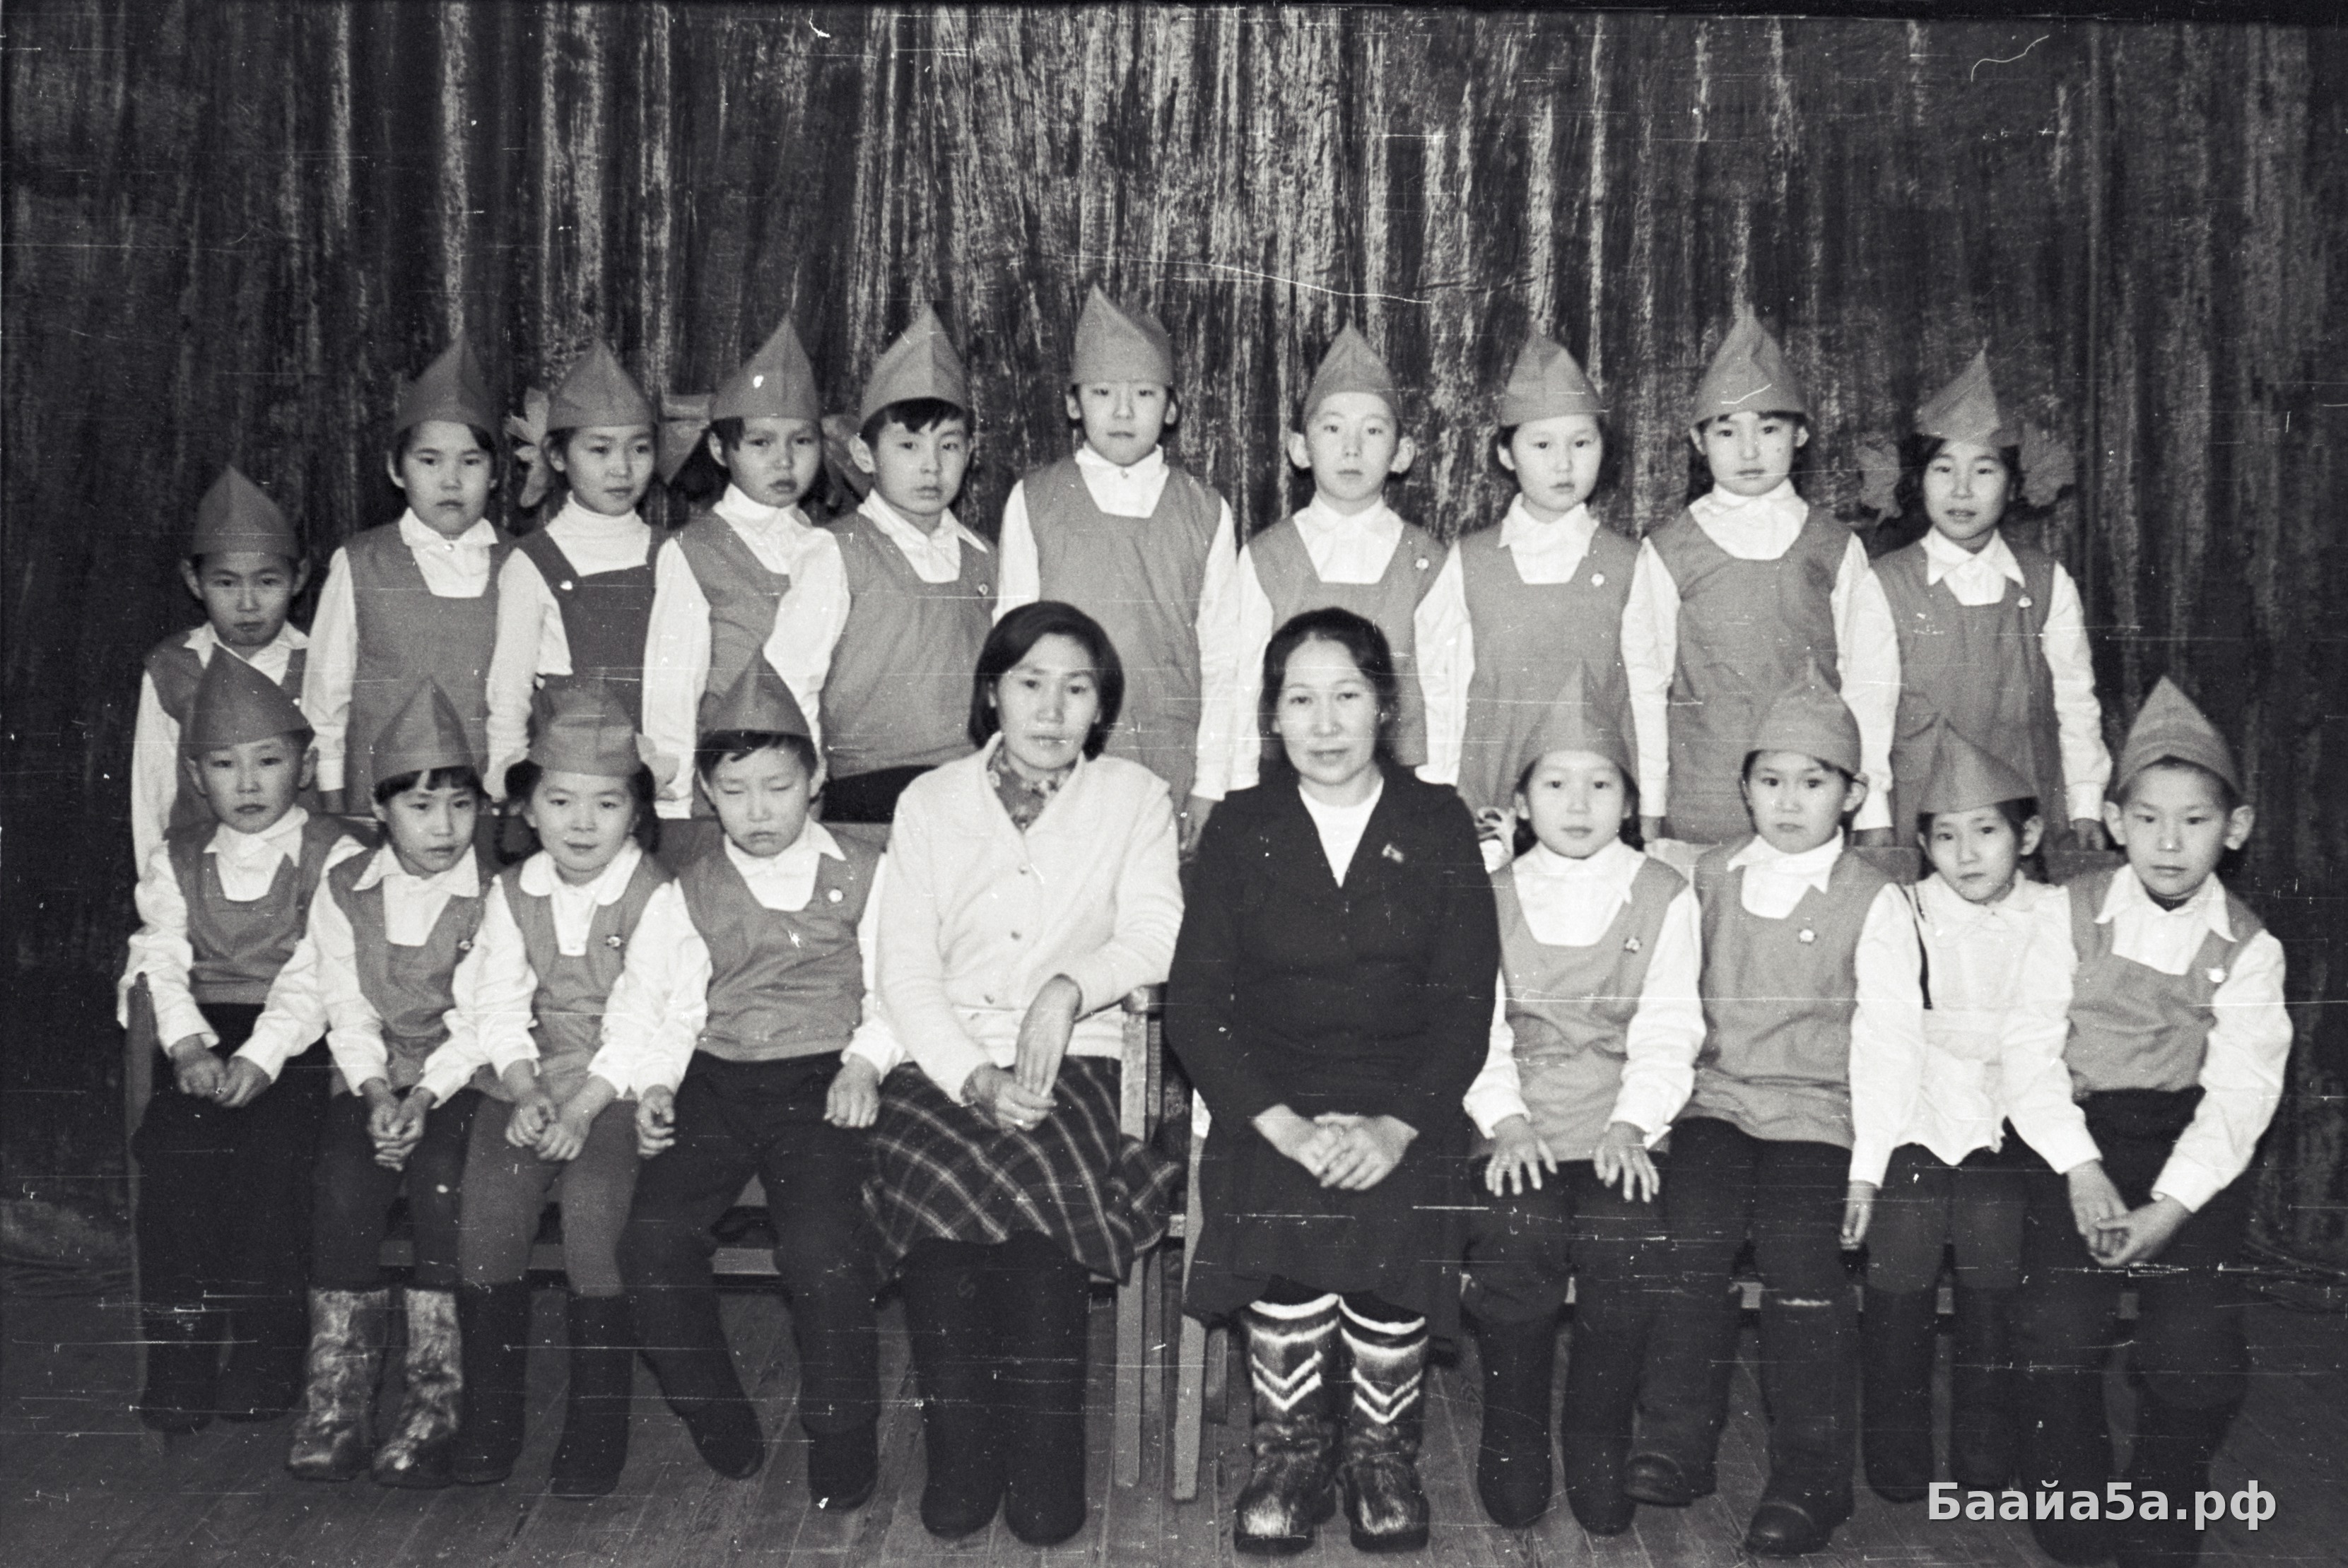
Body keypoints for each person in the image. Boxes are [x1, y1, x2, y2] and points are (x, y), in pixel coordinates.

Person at [1170, 606, 1498, 1554]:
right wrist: (1281, 1122)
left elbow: (1465, 1002)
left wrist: (1395, 1125)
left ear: (1384, 707)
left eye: (1346, 695)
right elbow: (1195, 1003)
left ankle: (1379, 1454)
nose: (1324, 723)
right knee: (1282, 1187)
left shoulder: (1435, 820)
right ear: (1271, 715)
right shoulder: (1242, 826)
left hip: (1407, 1094)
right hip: (1271, 1094)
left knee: (1396, 1194)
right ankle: (1290, 1453)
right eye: (1299, 699)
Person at [867, 601, 1182, 1545]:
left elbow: (1157, 934)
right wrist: (970, 1074)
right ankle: (962, 1454)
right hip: (945, 1054)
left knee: (1044, 1185)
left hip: (1080, 1051)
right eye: (1030, 683)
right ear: (991, 693)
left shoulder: (1134, 795)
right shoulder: (930, 801)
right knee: (936, 1181)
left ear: (1101, 706)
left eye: (1076, 688)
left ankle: (1046, 1458)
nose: (1051, 708)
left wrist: (1067, 987)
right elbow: (903, 969)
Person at [1629, 661, 1926, 1557]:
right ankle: (1677, 1443)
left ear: (1852, 793)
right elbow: (1669, 1004)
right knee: (1691, 1241)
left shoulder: (1874, 897)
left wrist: (1868, 1167)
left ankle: (1810, 1476)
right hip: (1716, 1103)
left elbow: (1888, 1041)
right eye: (1769, 780)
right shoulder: (1708, 876)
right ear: (1744, 787)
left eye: (1813, 781)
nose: (1789, 801)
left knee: (1804, 1264)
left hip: (1818, 1116)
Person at [592, 661, 898, 1504]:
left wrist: (866, 1060)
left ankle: (841, 1428)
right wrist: (657, 1083)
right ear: (705, 793)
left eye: (778, 786)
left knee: (822, 1247)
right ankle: (710, 1404)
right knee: (652, 1240)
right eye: (734, 791)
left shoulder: (865, 870)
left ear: (816, 779)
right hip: (719, 1079)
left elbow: (898, 986)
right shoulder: (689, 888)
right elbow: (659, 1000)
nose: (758, 811)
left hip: (826, 1077)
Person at [2012, 678, 2291, 1568]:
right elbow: (2027, 1055)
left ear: (2234, 828)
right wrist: (2080, 1168)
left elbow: (2241, 1094)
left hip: (2189, 1151)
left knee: (2194, 1344)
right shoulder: (2063, 913)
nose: (2169, 841)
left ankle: (2165, 1487)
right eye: (2148, 818)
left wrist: (2169, 1208)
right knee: (2056, 1325)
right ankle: (2073, 1482)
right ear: (2114, 821)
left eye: (2195, 820)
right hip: (2075, 1139)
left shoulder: (2250, 946)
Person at [1457, 664, 1702, 1533]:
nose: (1578, 802)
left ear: (1628, 801)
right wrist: (1505, 1119)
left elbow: (1669, 1027)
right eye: (1555, 783)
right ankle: (1514, 1429)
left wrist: (1634, 1123)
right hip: (1513, 1116)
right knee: (1515, 1230)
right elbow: (1473, 1027)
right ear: (1521, 802)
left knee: (1624, 1233)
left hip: (1619, 1123)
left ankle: (1597, 1432)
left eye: (1601, 784)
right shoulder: (1487, 894)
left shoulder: (1664, 893)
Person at [428, 684, 668, 1498]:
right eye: (560, 800)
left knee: (596, 1213)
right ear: (528, 808)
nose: (582, 821)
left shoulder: (654, 894)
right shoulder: (511, 892)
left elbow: (642, 1015)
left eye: (607, 802)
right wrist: (526, 1088)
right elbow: (496, 1002)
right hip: (527, 1079)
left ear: (636, 813)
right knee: (489, 1213)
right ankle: (491, 1417)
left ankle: (596, 1425)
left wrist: (582, 1106)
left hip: (616, 1087)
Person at [121, 653, 360, 1431]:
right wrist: (188, 1046)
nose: (248, 783)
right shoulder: (176, 857)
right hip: (203, 1034)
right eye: (225, 765)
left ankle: (266, 1355)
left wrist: (262, 1056)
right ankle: (180, 1361)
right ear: (196, 776)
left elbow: (322, 969)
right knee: (174, 1157)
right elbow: (159, 957)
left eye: (269, 761)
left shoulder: (337, 852)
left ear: (306, 764)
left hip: (300, 1041)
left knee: (272, 1169)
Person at [1860, 719, 2098, 1503]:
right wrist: (1872, 1160)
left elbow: (2055, 1034)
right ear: (1923, 844)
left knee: (1995, 1232)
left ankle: (1986, 1445)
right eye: (1945, 835)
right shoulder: (1904, 910)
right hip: (1919, 1104)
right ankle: (1895, 1447)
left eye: (1986, 831)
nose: (1965, 853)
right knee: (1904, 1231)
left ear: (2026, 835)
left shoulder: (2056, 911)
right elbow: (1887, 1042)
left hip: (2019, 1109)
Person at [282, 681, 493, 1488]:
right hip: (371, 1080)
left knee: (443, 1183)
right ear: (380, 809)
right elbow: (346, 1003)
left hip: (463, 1080)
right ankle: (336, 1403)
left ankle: (434, 1406)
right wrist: (375, 1093)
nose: (444, 828)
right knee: (342, 1181)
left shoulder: (495, 894)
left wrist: (423, 1096)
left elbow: (480, 1018)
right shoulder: (346, 889)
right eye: (421, 806)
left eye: (462, 806)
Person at [1621, 305, 1901, 857]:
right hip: (1700, 803)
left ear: (1801, 435)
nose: (1749, 451)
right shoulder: (1670, 549)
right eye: (1727, 431)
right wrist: (1651, 804)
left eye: (1769, 429)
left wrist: (1873, 807)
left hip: (1811, 804)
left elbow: (1870, 683)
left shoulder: (1835, 546)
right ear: (1698, 441)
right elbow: (1645, 684)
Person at [995, 284, 1242, 852]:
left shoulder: (1205, 510)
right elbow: (1011, 648)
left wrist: (1211, 783)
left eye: (1145, 393)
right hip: (1059, 756)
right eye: (1103, 392)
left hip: (1170, 759)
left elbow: (1223, 659)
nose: (1124, 411)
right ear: (1073, 403)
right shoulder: (1036, 499)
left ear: (1172, 407)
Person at [1874, 350, 2108, 849]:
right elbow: (1868, 709)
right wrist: (1873, 817)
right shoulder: (1885, 584)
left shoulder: (2047, 582)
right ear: (1917, 479)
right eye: (1943, 469)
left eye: (1984, 470)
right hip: (1921, 817)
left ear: (2015, 483)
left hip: (2027, 814)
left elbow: (2076, 702)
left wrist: (2086, 803)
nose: (1961, 490)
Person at [1418, 330, 1641, 843]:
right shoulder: (1470, 561)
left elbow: (1645, 698)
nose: (1563, 463)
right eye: (1542, 445)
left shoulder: (1630, 564)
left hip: (1593, 807)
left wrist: (1646, 802)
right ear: (1506, 453)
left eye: (1581, 443)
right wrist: (1441, 795)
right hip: (1488, 795)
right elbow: (1441, 689)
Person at [642, 317, 845, 866]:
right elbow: (671, 692)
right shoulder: (695, 549)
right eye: (760, 442)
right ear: (718, 447)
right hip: (726, 792)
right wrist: (676, 805)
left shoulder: (832, 545)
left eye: (801, 441)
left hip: (811, 785)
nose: (784, 460)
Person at [1217, 326, 1444, 798]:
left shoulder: (1427, 561)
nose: (1352, 448)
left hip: (1400, 785)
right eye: (1333, 428)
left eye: (1373, 430)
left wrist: (1438, 790)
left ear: (1402, 454)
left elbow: (1443, 692)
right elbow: (1242, 686)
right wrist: (1239, 787)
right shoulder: (1266, 556)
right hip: (1287, 784)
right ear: (1300, 448)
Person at [304, 332, 509, 815]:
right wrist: (334, 806)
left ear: (496, 474)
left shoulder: (520, 565)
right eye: (429, 461)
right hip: (378, 805)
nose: (451, 480)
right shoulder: (361, 562)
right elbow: (326, 697)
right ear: (396, 470)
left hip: (486, 808)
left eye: (471, 462)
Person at [818, 305, 994, 824]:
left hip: (969, 785)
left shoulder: (987, 557)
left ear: (970, 452)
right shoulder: (836, 550)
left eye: (949, 445)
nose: (931, 466)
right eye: (909, 445)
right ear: (864, 454)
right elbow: (795, 678)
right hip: (866, 786)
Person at [487, 338, 662, 792]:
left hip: (660, 773)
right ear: (558, 456)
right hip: (572, 778)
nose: (622, 469)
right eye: (600, 450)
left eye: (640, 449)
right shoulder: (533, 561)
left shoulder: (672, 552)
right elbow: (509, 693)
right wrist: (508, 780)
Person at [131, 466, 312, 868]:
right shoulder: (172, 667)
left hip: (304, 871)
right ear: (194, 581)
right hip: (201, 874)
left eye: (267, 582)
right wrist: (154, 882)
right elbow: (151, 791)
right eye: (226, 583)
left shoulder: (320, 662)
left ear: (298, 577)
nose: (248, 604)